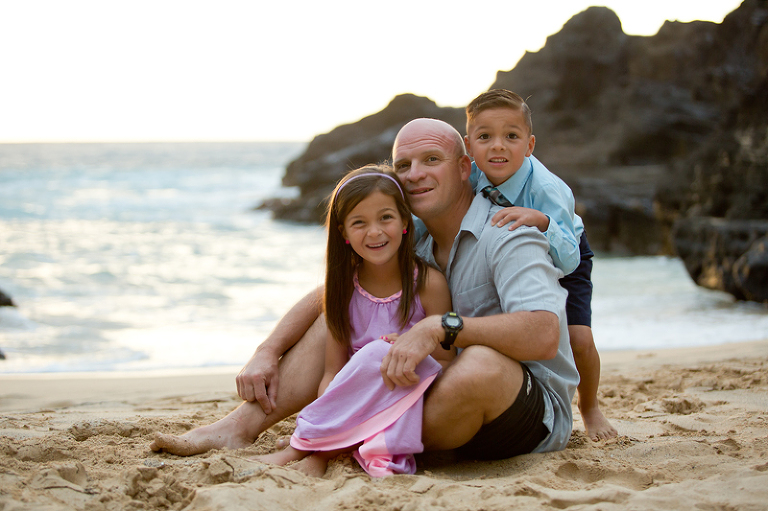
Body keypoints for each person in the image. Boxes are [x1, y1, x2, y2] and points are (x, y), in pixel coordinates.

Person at [151, 118, 578, 464]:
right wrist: (268, 349)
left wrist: (438, 327)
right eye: (404, 165)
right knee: (349, 304)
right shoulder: (414, 235)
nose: (415, 175)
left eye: (432, 159)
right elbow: (334, 291)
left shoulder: (508, 232)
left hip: (524, 407)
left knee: (480, 365)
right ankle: (239, 428)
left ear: (465, 167)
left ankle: (333, 439)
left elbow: (543, 335)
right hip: (432, 392)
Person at [252, 165, 453, 477]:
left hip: (408, 394)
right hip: (355, 401)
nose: (374, 232)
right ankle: (320, 451)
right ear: (344, 233)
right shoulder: (344, 291)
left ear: (403, 221)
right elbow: (333, 371)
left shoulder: (428, 284)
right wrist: (332, 410)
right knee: (369, 358)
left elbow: (445, 359)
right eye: (359, 223)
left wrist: (409, 349)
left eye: (385, 217)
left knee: (377, 353)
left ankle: (304, 447)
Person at [463, 89, 617, 441]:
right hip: (518, 262)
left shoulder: (548, 188)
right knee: (510, 329)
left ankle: (590, 405)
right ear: (469, 147)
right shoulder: (470, 176)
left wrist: (542, 222)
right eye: (485, 136)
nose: (498, 146)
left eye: (511, 136)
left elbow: (568, 255)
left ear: (529, 145)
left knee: (578, 338)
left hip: (565, 253)